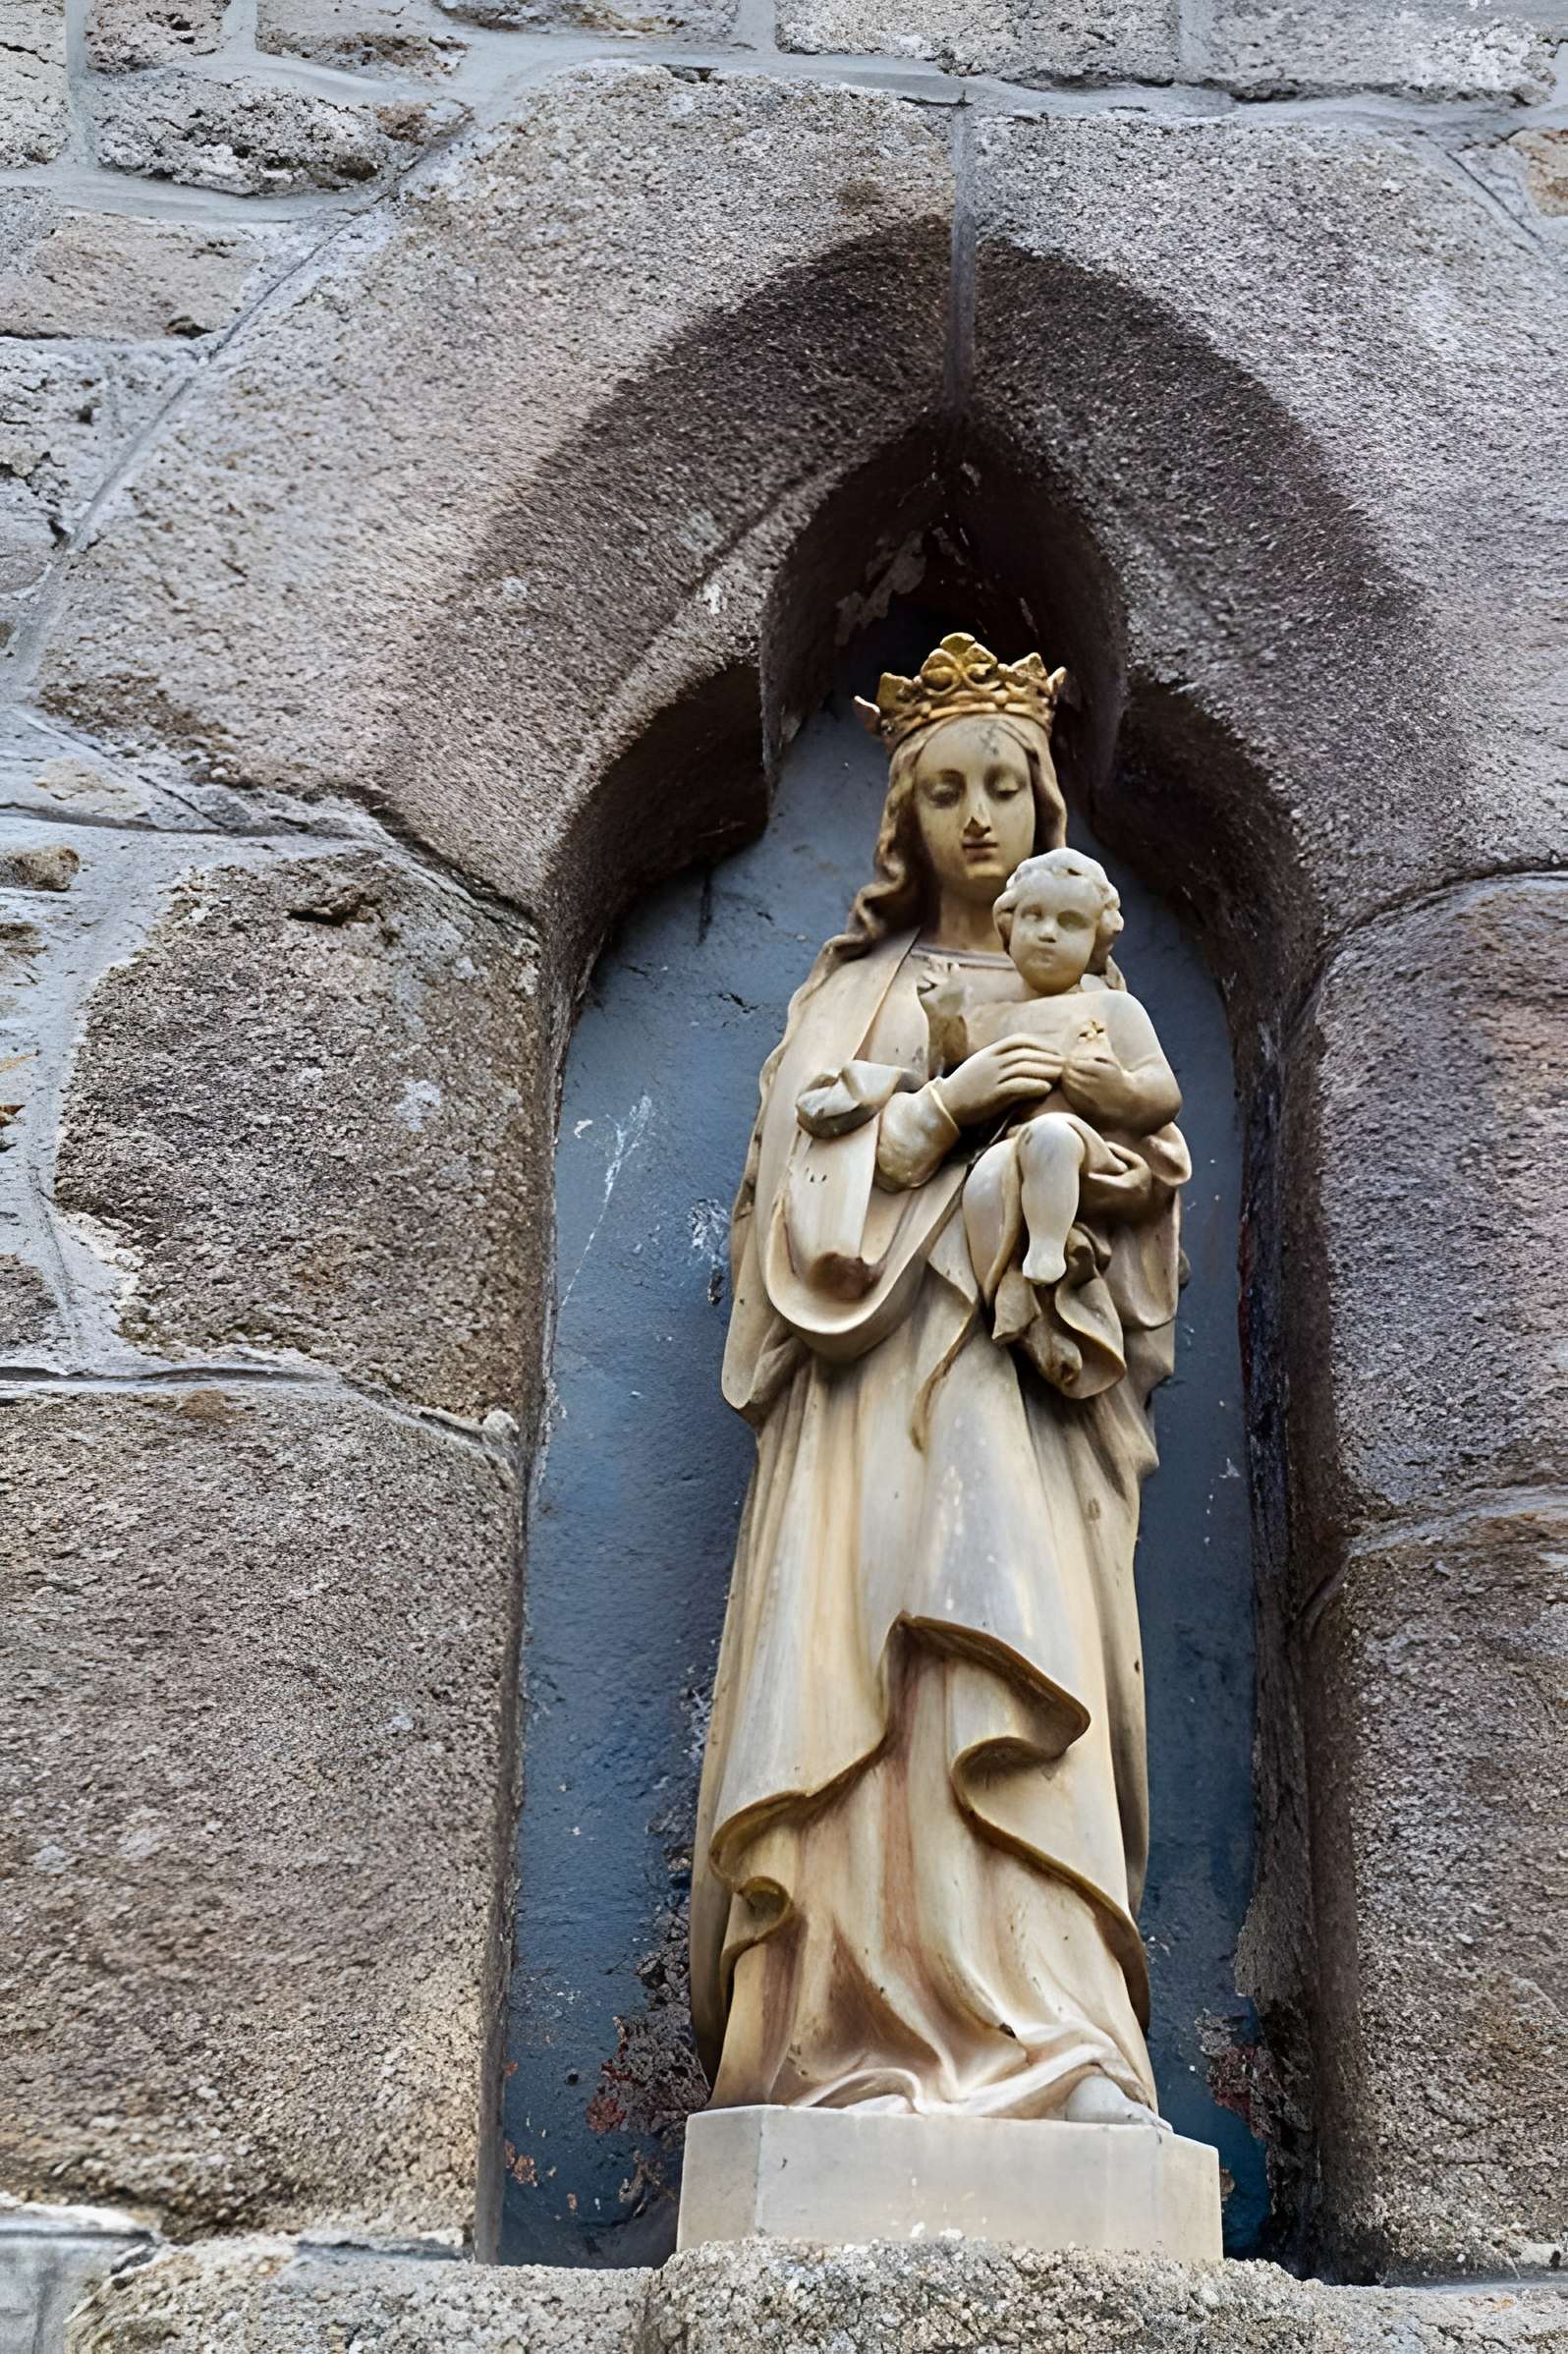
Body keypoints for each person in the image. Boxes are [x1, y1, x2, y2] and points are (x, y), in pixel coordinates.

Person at [690, 634, 1190, 2129]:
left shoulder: (1107, 999)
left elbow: (1147, 1188)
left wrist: (1082, 1185)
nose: (980, 819)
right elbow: (802, 1212)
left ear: (1048, 815)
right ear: (902, 824)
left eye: (1007, 790)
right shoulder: (846, 999)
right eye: (947, 794)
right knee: (871, 1683)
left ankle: (1060, 2038)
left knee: (1013, 1652)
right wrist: (956, 1103)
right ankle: (831, 2040)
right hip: (863, 1399)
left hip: (1021, 1393)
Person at [919, 848, 1185, 1399]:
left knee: (1053, 1138)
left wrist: (1119, 1093)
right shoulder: (993, 1018)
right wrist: (944, 1020)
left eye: (1068, 923)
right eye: (1034, 917)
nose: (1046, 934)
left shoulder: (1113, 1010)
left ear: (1097, 941)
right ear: (1008, 926)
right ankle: (1021, 1287)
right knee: (1004, 1167)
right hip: (1006, 1156)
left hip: (1088, 1152)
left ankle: (1048, 1249)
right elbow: (950, 1071)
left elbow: (1163, 1093)